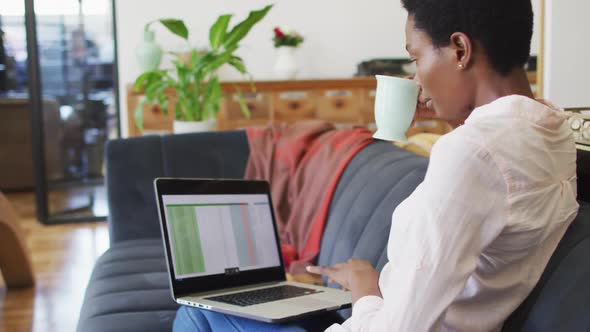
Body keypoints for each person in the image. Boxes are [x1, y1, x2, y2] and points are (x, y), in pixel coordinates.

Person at [174, 0, 579, 330]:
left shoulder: (470, 153)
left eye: (416, 58)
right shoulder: (552, 131)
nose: (417, 80)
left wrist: (366, 293)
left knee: (196, 314)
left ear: (459, 49)